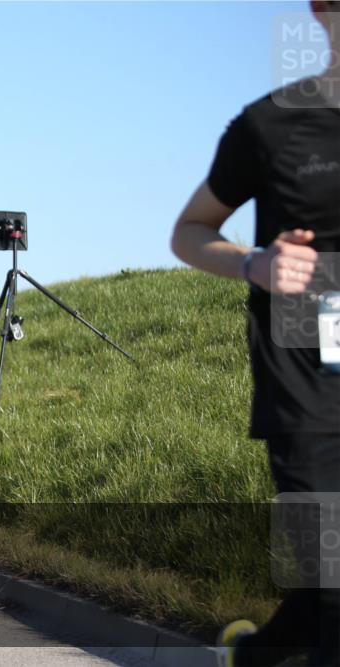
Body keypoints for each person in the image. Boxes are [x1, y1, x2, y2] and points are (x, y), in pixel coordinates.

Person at [171, 4, 339, 665]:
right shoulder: (271, 125)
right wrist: (255, 263)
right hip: (310, 386)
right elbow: (189, 231)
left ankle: (255, 655)